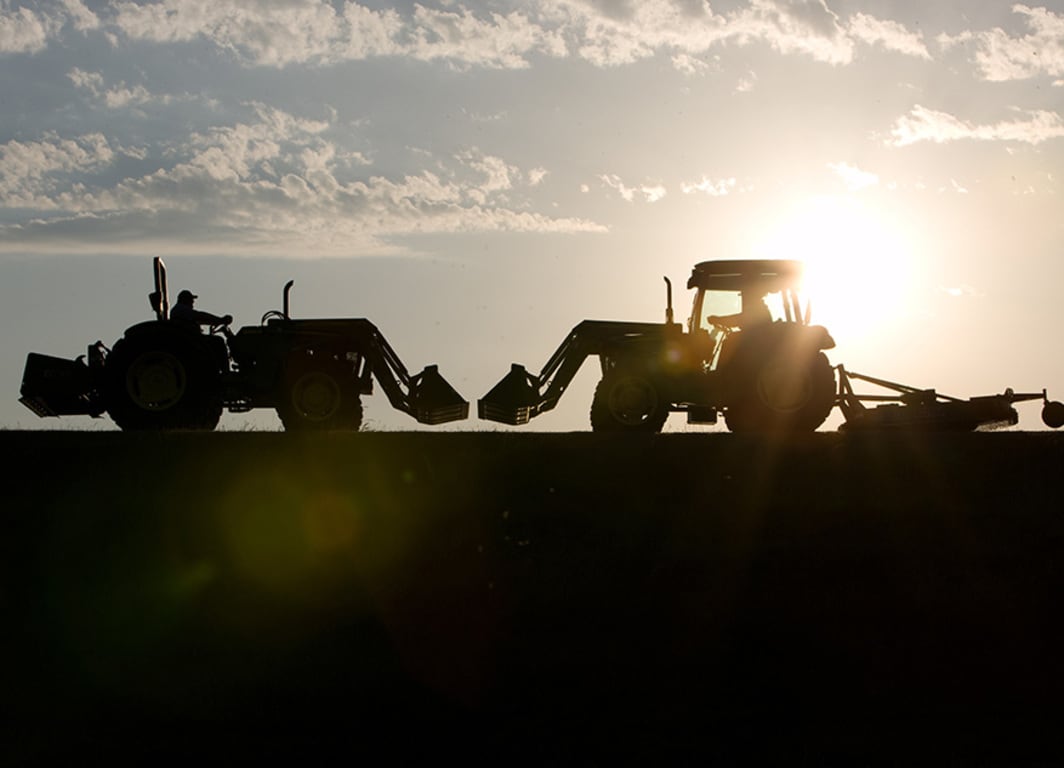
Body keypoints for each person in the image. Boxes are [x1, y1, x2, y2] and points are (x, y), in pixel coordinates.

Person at [707, 289, 772, 331]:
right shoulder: (760, 309)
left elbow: (739, 320)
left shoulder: (758, 310)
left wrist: (717, 320)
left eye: (745, 295)